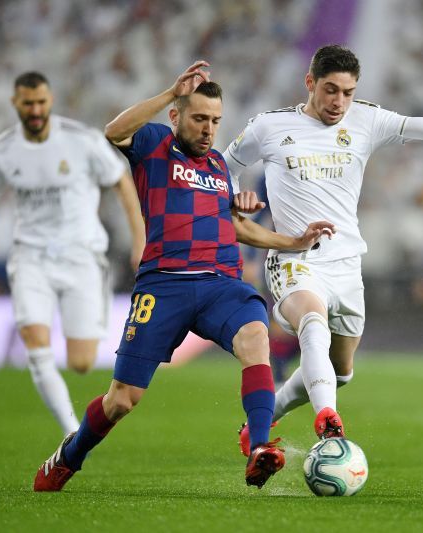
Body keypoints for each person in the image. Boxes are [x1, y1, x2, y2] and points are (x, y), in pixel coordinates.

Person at [226, 44, 423, 455]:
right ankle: (329, 422)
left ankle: (267, 415)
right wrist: (237, 199)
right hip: (295, 259)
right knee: (312, 322)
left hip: (345, 263)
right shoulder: (268, 128)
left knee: (340, 371)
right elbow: (223, 168)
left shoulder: (366, 119)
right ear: (310, 83)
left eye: (347, 91)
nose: (339, 101)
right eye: (330, 90)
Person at [33, 61, 335, 491]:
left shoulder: (217, 165)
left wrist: (294, 241)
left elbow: (236, 225)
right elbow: (113, 132)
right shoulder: (156, 143)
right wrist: (167, 93)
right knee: (122, 401)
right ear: (176, 115)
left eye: (215, 120)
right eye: (198, 118)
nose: (209, 129)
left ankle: (260, 449)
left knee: (256, 337)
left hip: (220, 284)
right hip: (164, 284)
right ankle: (70, 455)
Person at [0, 72, 145, 436]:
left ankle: (70, 418)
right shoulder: (1, 151)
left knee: (81, 362)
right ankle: (70, 431)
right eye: (28, 103)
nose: (35, 110)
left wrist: (139, 240)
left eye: (41, 102)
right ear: (15, 103)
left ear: (51, 100)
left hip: (82, 256)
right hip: (30, 257)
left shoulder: (81, 141)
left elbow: (122, 183)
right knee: (36, 344)